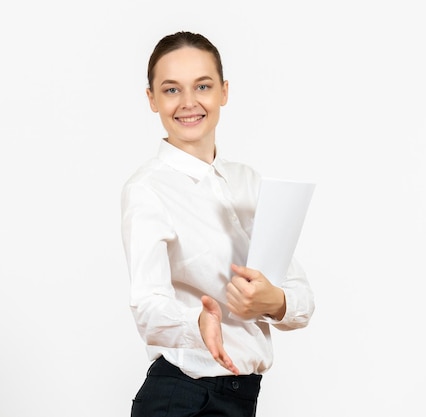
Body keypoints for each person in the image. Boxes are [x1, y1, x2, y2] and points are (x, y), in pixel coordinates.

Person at [120, 31, 315, 417]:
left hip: (241, 398)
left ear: (224, 91)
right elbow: (146, 304)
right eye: (171, 89)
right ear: (152, 99)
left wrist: (272, 301)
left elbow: (302, 298)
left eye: (203, 86)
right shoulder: (147, 189)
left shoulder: (250, 182)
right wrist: (198, 324)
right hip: (182, 398)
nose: (189, 102)